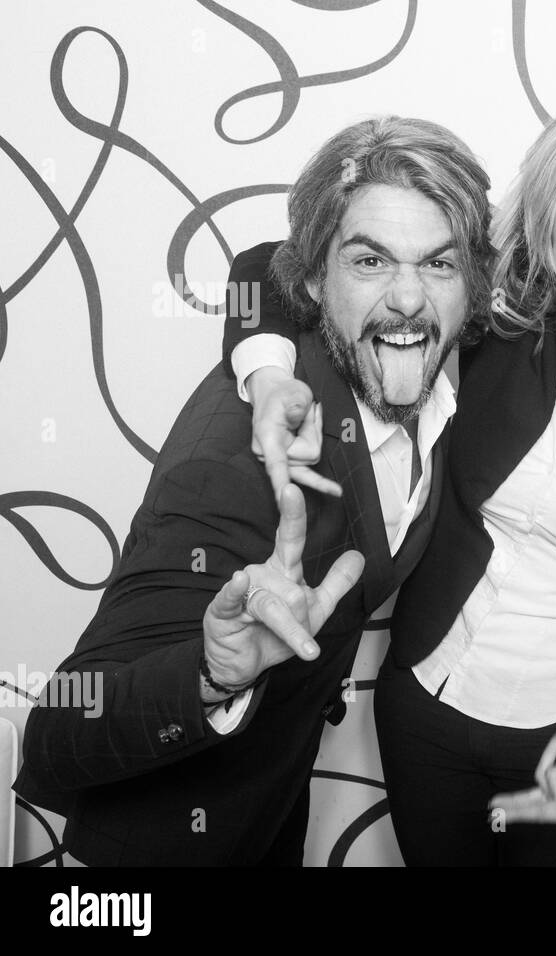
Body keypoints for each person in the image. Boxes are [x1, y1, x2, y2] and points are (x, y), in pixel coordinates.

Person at [222, 90, 556, 865]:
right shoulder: (490, 330)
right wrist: (267, 376)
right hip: (424, 713)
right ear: (547, 217)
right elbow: (261, 270)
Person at [14, 116, 494, 865]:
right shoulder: (231, 472)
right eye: (369, 261)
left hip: (268, 809)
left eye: (438, 265)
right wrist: (210, 674)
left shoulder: (426, 360)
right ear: (310, 282)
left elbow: (262, 259)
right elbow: (58, 734)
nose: (407, 298)